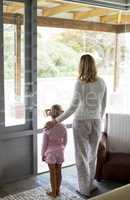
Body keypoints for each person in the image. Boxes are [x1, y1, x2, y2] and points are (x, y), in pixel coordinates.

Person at [45, 54, 107, 198]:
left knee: (81, 156)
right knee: (92, 155)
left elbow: (73, 107)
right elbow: (103, 105)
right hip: (96, 121)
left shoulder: (80, 83)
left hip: (81, 121)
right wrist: (98, 117)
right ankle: (90, 185)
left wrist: (55, 121)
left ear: (81, 66)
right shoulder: (102, 82)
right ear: (93, 65)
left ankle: (84, 189)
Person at [41, 104, 67, 198]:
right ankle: (58, 190)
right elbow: (65, 141)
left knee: (52, 173)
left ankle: (53, 192)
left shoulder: (47, 127)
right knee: (59, 171)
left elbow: (44, 144)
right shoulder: (63, 126)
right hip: (60, 152)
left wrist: (42, 155)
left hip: (50, 153)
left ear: (51, 114)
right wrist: (61, 148)